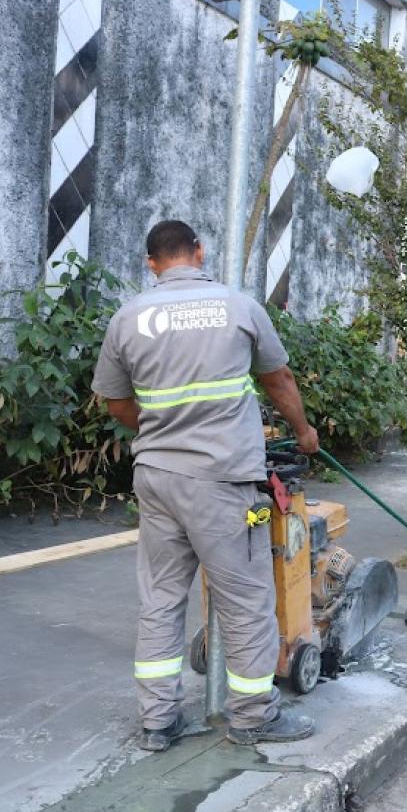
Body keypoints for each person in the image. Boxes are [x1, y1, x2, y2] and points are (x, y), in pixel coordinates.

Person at [92, 220, 321, 751]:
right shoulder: (238, 307)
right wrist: (304, 433)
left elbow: (117, 403)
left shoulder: (128, 317)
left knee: (161, 599)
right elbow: (279, 379)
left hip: (157, 477)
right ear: (199, 252)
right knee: (245, 599)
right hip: (221, 481)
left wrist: (159, 430)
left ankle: (157, 722)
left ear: (151, 263)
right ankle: (253, 716)